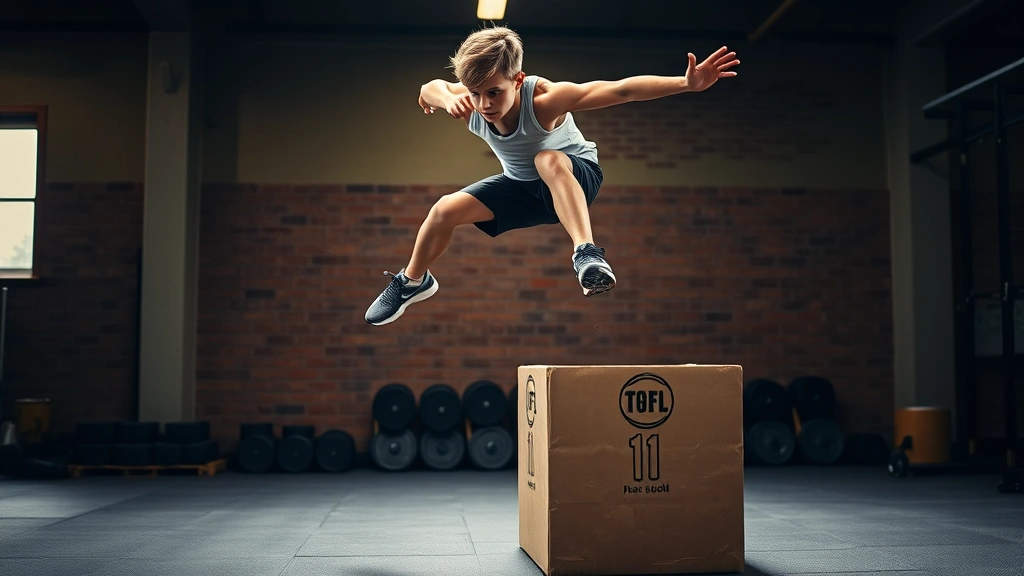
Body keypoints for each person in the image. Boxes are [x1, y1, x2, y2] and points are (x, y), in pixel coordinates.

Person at [365, 26, 739, 326]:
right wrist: (447, 98)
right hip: (524, 188)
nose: (485, 105)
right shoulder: (472, 100)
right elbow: (429, 88)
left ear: (518, 79)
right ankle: (413, 282)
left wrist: (685, 84)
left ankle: (586, 253)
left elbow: (619, 89)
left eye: (494, 93)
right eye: (476, 94)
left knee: (547, 159)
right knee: (444, 209)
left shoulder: (545, 102)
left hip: (575, 177)